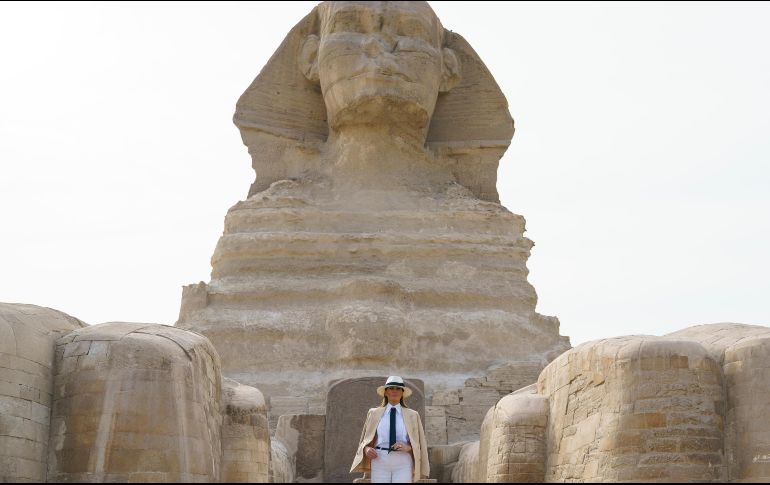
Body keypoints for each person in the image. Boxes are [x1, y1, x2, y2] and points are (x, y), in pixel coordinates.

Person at [350, 376, 429, 483]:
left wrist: (408, 448)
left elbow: (419, 443)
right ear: (385, 392)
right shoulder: (373, 413)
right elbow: (365, 439)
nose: (394, 391)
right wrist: (366, 449)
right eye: (391, 388)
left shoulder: (413, 415)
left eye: (398, 389)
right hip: (379, 460)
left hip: (403, 461)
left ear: (402, 393)